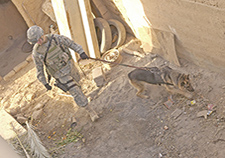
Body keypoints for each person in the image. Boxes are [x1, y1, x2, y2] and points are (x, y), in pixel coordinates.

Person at [27, 25, 99, 122]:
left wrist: (81, 52)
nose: (38, 42)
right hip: (60, 74)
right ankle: (90, 111)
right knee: (75, 91)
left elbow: (70, 43)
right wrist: (44, 82)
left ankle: (83, 98)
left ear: (42, 34)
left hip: (70, 66)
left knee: (78, 82)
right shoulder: (37, 52)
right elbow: (39, 69)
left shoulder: (56, 39)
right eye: (36, 41)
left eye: (39, 39)